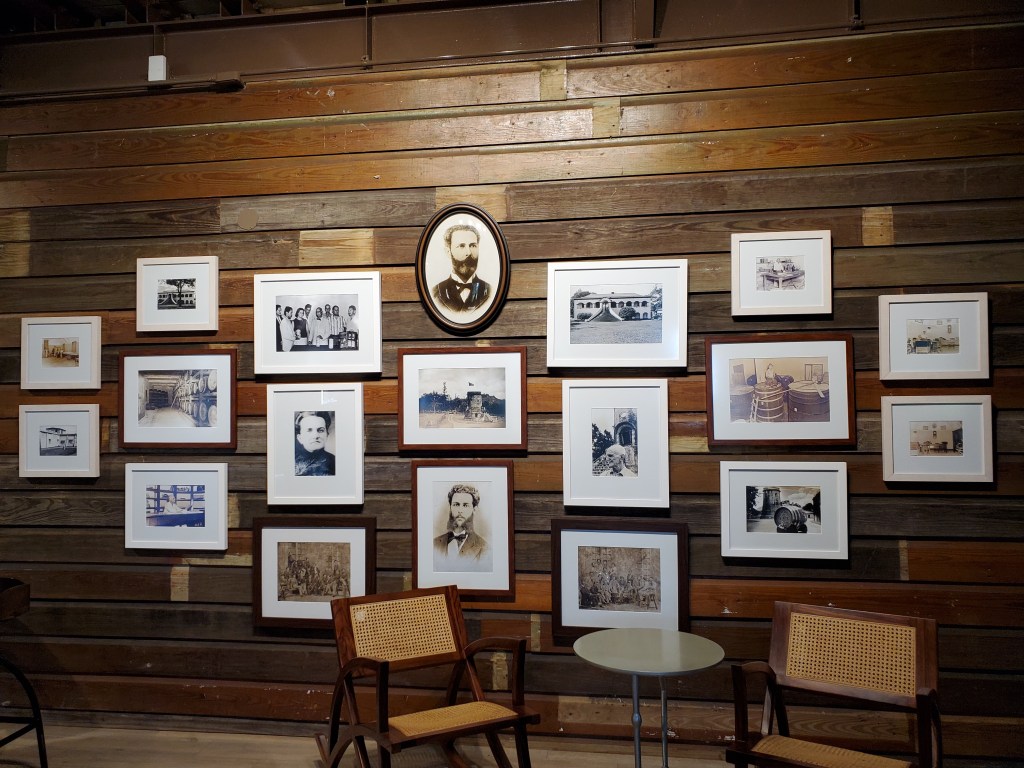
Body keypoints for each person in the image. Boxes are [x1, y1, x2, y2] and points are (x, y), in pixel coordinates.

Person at [430, 223, 492, 314]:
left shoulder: (490, 291)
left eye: (473, 246)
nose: (469, 252)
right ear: (448, 252)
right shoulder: (435, 293)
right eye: (461, 246)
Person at [433, 483, 491, 570]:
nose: (460, 510)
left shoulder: (484, 548)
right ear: (450, 507)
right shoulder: (434, 544)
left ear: (474, 509)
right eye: (456, 504)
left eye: (465, 505)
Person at [294, 410, 335, 476]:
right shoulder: (290, 460)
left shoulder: (334, 461)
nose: (316, 436)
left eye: (321, 430)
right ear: (300, 438)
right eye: (309, 430)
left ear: (327, 435)